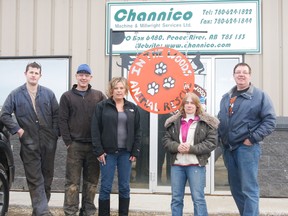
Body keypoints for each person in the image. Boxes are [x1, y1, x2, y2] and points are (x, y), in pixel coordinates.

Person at [0, 62, 59, 216]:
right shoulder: (15, 94)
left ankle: (39, 210)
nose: (33, 75)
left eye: (36, 73)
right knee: (35, 179)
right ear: (25, 73)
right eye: (31, 72)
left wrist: (54, 134)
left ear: (40, 75)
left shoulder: (48, 94)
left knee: (47, 179)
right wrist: (18, 130)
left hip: (48, 142)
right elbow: (5, 114)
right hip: (28, 142)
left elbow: (57, 115)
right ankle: (43, 213)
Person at [218, 62, 276, 216]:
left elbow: (270, 121)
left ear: (250, 76)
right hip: (229, 149)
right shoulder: (226, 97)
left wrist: (252, 139)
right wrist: (220, 140)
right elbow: (221, 120)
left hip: (247, 148)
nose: (241, 74)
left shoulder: (259, 96)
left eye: (244, 72)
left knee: (249, 188)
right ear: (234, 75)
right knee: (236, 189)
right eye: (238, 72)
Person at [59, 64, 106, 216]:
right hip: (75, 146)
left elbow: (106, 117)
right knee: (72, 183)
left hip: (94, 147)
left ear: (90, 77)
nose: (83, 77)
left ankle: (88, 211)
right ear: (76, 77)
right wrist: (68, 142)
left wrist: (102, 142)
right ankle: (70, 211)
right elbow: (62, 120)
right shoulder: (67, 96)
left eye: (86, 75)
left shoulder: (98, 96)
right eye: (81, 75)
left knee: (91, 183)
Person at [162, 92, 219, 216]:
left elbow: (211, 143)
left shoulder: (206, 122)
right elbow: (166, 141)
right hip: (177, 165)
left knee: (198, 198)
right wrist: (177, 146)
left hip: (196, 165)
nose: (189, 105)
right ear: (183, 105)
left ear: (197, 105)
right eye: (186, 102)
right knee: (176, 199)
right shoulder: (173, 122)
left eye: (192, 103)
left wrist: (191, 148)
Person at [91, 77, 141, 216]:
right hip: (108, 153)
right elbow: (95, 130)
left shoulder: (132, 108)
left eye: (122, 88)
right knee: (106, 187)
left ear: (126, 90)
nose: (119, 91)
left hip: (126, 153)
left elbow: (138, 131)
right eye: (116, 88)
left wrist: (135, 151)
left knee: (124, 187)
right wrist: (99, 151)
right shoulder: (102, 106)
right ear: (111, 90)